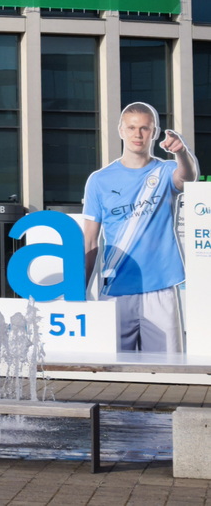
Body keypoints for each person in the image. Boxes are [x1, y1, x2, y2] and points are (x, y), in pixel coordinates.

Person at [82, 102, 200, 353]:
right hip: (114, 291)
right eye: (132, 127)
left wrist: (181, 151)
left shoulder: (166, 170)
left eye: (145, 128)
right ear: (121, 130)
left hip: (160, 288)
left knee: (167, 371)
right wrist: (79, 292)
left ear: (154, 132)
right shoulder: (99, 180)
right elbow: (90, 241)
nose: (138, 134)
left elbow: (188, 176)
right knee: (110, 370)